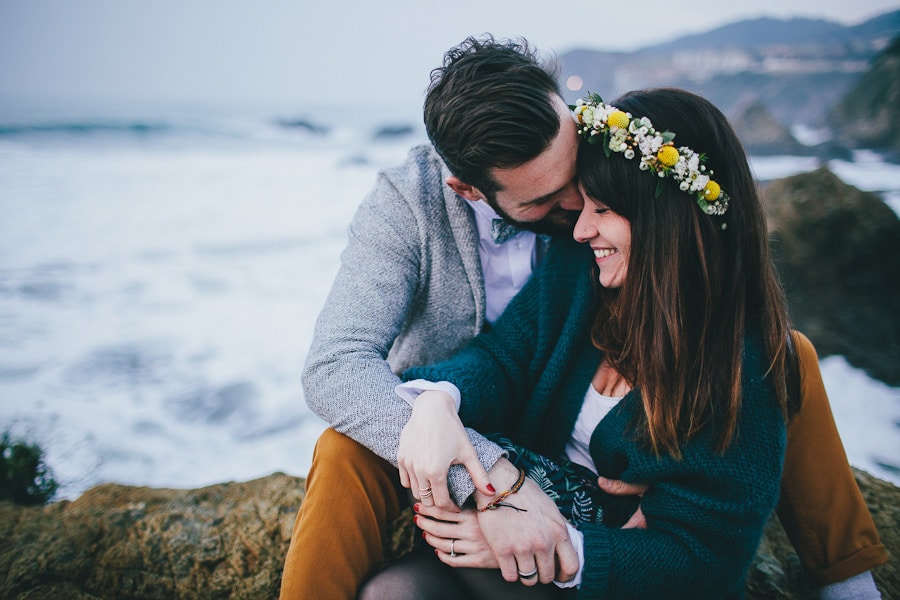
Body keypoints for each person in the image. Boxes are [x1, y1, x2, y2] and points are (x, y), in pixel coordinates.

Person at [278, 37, 887, 599]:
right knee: (343, 449)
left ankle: (849, 573)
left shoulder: (601, 187)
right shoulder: (410, 208)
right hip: (480, 419)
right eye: (548, 198)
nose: (575, 213)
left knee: (786, 354)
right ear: (470, 190)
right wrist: (476, 454)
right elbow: (338, 365)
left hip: (577, 447)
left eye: (585, 183)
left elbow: (703, 547)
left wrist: (626, 500)